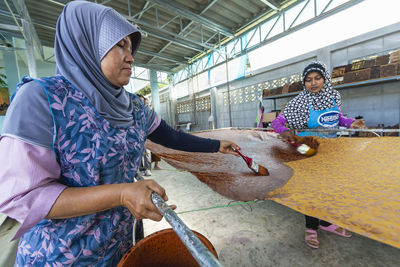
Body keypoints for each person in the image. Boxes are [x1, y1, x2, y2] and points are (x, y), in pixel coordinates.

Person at [0, 1, 240, 265]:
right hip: (60, 256)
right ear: (86, 43)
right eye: (119, 45)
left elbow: (173, 137)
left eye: (130, 46)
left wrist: (217, 145)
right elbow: (26, 197)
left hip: (119, 248)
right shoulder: (41, 99)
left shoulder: (134, 106)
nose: (131, 57)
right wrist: (123, 194)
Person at [271, 61, 366, 249]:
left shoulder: (333, 97)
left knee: (328, 188)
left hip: (329, 150)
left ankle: (326, 222)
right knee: (312, 189)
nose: (313, 83)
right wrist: (284, 131)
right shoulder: (299, 103)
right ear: (303, 83)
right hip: (306, 149)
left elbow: (338, 118)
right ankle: (311, 228)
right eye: (308, 80)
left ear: (325, 79)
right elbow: (277, 122)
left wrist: (351, 123)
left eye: (317, 78)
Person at [136, 94, 152, 176]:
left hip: (147, 135)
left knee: (147, 153)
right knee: (139, 153)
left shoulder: (147, 110)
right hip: (136, 136)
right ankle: (141, 169)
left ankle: (148, 169)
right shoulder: (133, 111)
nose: (141, 102)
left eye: (142, 100)